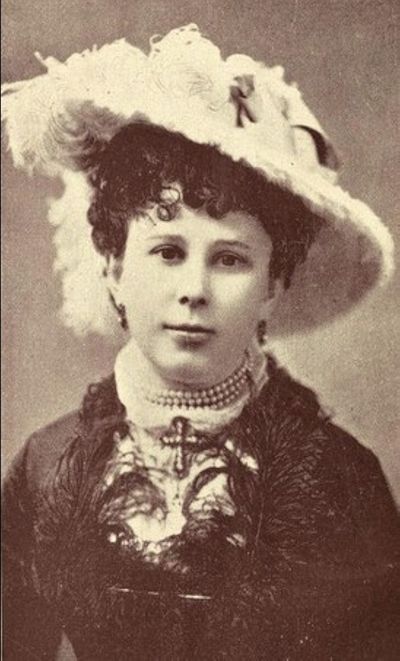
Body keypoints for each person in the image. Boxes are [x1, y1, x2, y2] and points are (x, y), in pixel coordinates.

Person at [2, 24, 399, 661]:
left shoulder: (342, 479)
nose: (194, 290)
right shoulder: (47, 467)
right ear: (114, 268)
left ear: (273, 284)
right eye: (167, 251)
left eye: (231, 260)